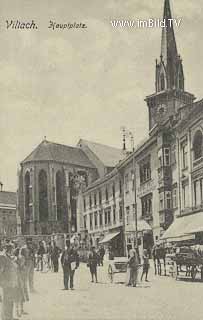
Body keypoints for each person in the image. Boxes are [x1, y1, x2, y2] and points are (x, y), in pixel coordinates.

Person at [0, 243, 18, 320]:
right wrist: (2, 282)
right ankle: (5, 318)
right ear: (8, 249)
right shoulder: (2, 257)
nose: (13, 251)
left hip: (12, 282)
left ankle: (10, 317)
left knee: (11, 300)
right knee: (6, 301)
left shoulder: (9, 257)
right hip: (6, 283)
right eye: (12, 249)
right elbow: (0, 271)